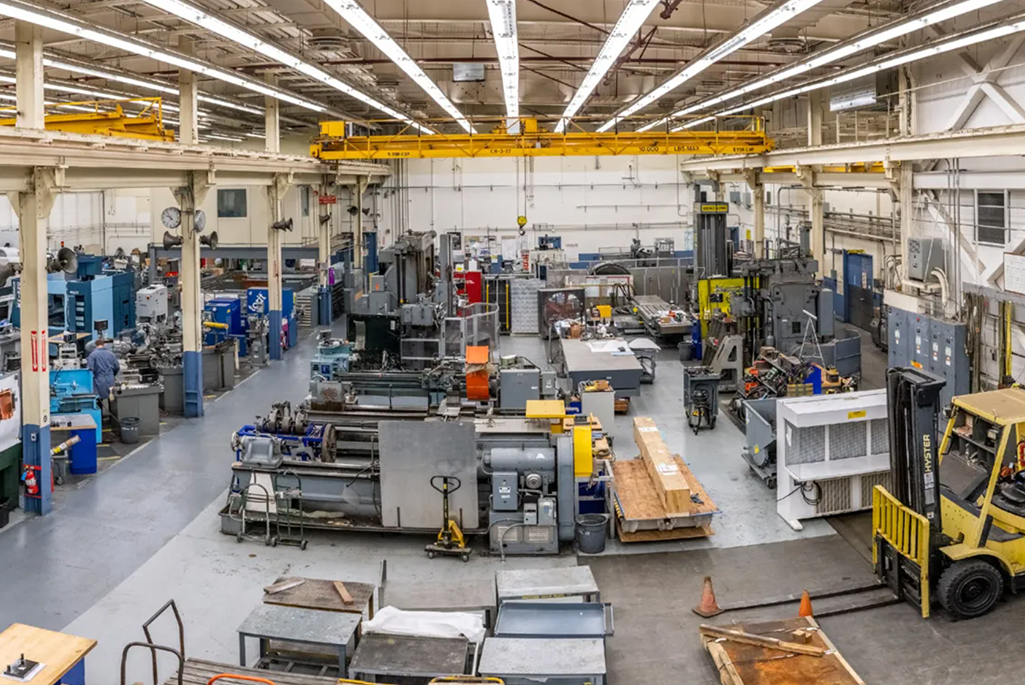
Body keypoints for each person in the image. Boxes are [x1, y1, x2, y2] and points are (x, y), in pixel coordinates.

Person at [86, 338, 120, 410]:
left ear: (95, 345)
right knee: (111, 399)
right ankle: (113, 417)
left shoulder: (92, 355)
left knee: (98, 401)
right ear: (103, 345)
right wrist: (112, 375)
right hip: (110, 380)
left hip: (99, 380)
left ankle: (101, 418)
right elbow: (117, 367)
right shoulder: (111, 354)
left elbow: (89, 369)